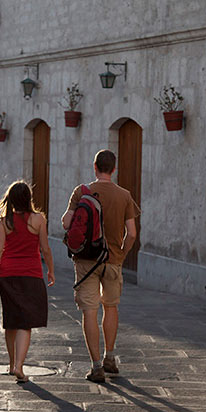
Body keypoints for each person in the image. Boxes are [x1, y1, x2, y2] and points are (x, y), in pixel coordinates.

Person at [61, 149, 139, 383]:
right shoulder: (124, 195)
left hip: (86, 261)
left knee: (89, 311)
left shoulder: (81, 191)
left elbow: (66, 222)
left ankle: (96, 367)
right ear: (114, 169)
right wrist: (121, 255)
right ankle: (110, 357)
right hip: (113, 260)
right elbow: (132, 233)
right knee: (111, 307)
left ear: (94, 166)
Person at [0, 181, 55, 383]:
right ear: (29, 198)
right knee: (25, 322)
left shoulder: (3, 222)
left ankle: (11, 364)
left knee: (11, 320)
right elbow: (45, 248)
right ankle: (19, 366)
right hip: (31, 275)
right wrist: (50, 270)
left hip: (6, 275)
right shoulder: (38, 220)